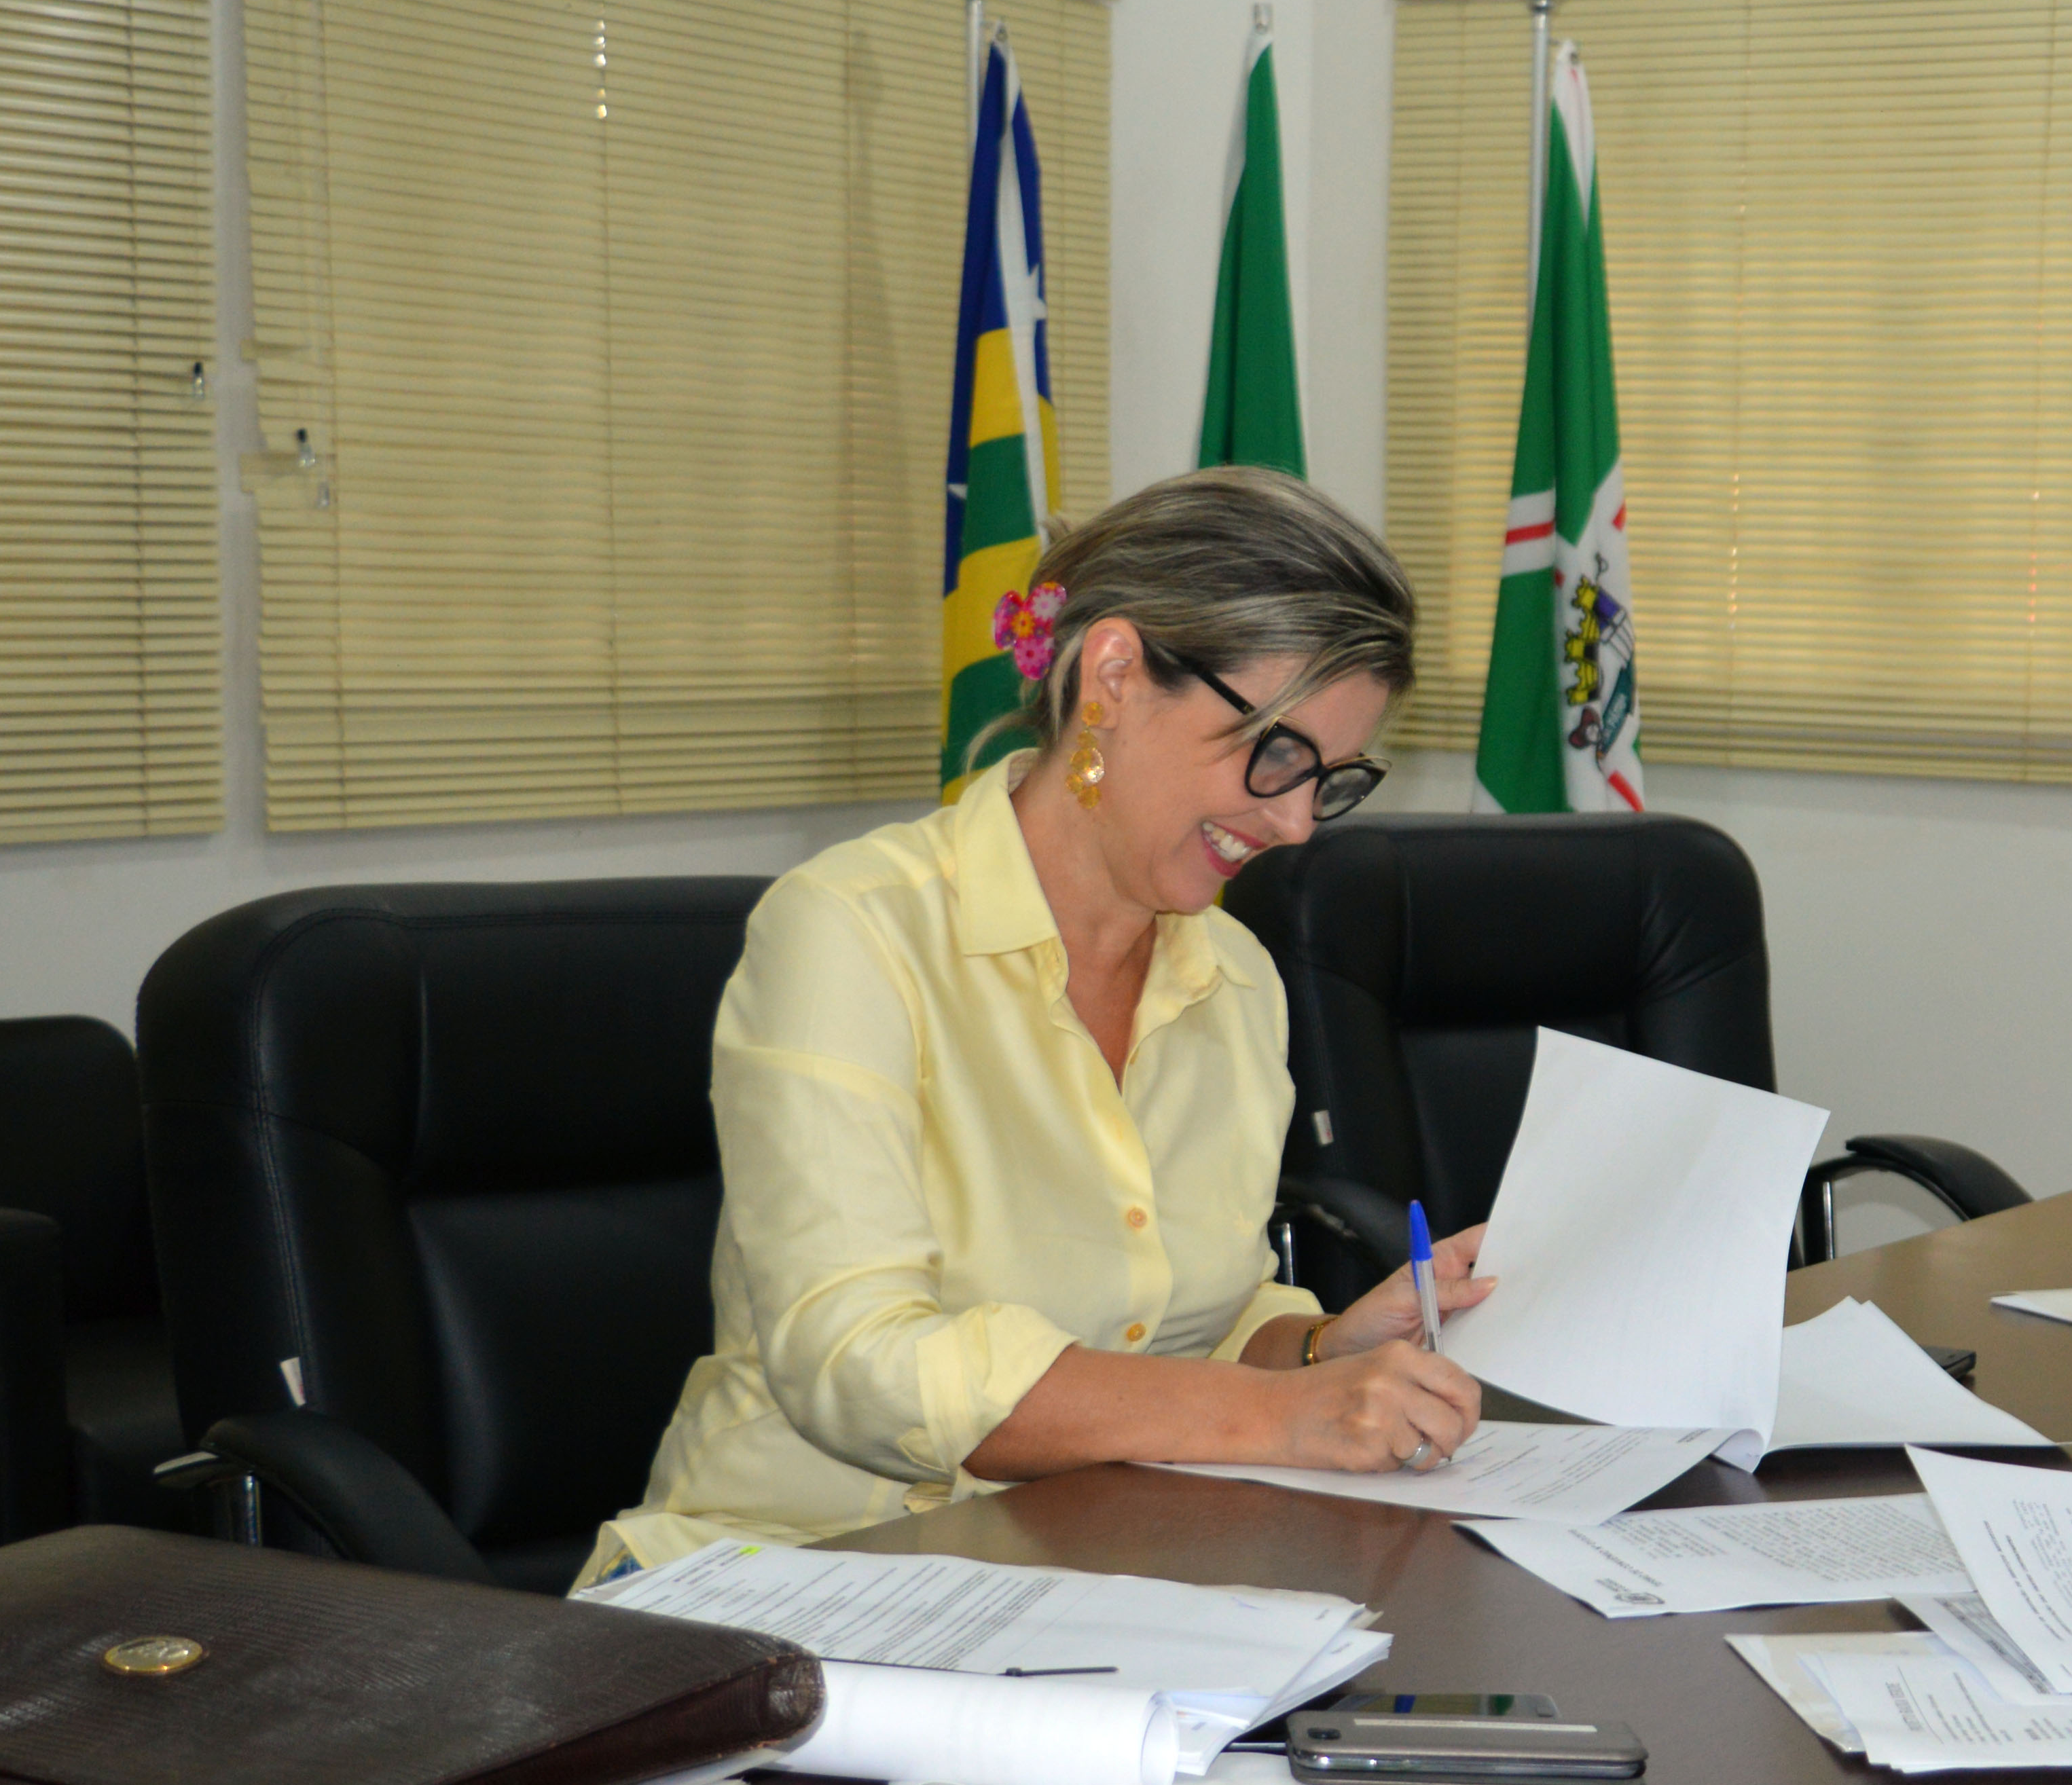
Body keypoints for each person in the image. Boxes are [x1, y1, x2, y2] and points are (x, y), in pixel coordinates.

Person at [586, 467, 1492, 1584]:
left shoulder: (1237, 976)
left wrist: (1315, 1348)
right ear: (1113, 674)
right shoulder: (851, 934)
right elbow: (857, 1364)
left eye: (1332, 782)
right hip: (790, 1581)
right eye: (1275, 756)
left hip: (1080, 1571)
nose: (1297, 824)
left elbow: (1176, 1325)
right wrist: (1279, 1417)